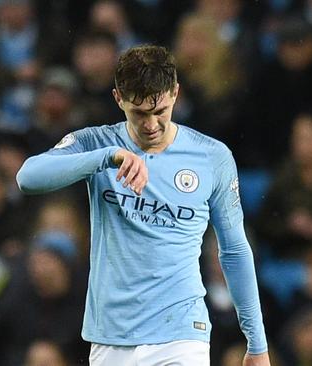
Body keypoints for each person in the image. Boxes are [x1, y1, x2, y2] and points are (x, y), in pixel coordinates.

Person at [16, 45, 270, 366]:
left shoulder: (211, 157)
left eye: (160, 111)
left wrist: (257, 343)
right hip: (110, 335)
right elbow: (28, 177)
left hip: (181, 333)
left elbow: (233, 250)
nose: (151, 124)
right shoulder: (98, 143)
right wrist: (108, 158)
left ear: (175, 93)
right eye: (139, 113)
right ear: (118, 98)